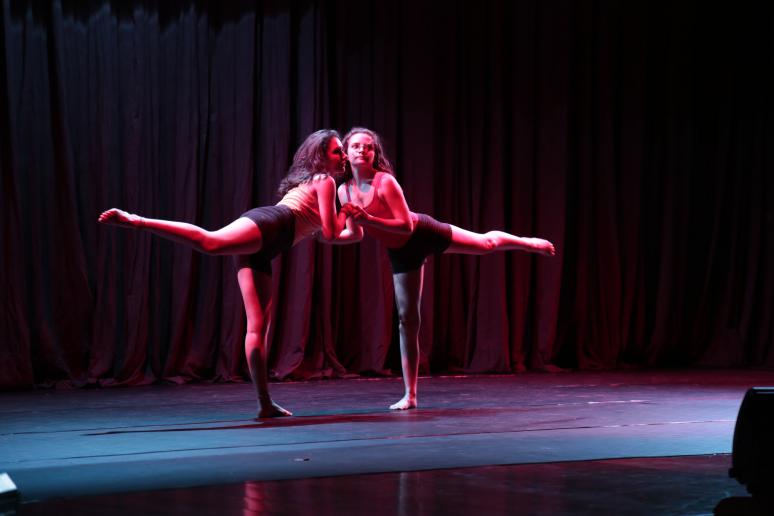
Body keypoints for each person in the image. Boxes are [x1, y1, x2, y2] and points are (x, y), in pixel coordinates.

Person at [99, 129, 358, 418]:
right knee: (211, 243)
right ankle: (138, 221)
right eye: (337, 151)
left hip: (270, 245)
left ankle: (264, 402)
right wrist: (346, 211)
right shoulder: (324, 181)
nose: (344, 156)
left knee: (258, 327)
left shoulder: (318, 183)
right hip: (271, 224)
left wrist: (352, 218)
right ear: (321, 156)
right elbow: (331, 233)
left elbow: (334, 235)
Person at [338, 127, 556, 411]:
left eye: (368, 147)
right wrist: (326, 235)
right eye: (356, 146)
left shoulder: (385, 182)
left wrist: (368, 218)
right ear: (346, 152)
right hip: (401, 252)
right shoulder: (344, 191)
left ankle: (527, 243)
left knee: (486, 244)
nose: (362, 150)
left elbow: (405, 226)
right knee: (407, 320)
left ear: (374, 153)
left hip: (423, 232)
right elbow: (354, 233)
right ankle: (410, 395)